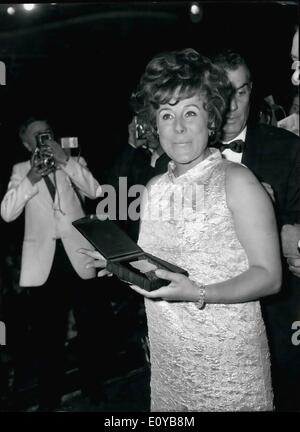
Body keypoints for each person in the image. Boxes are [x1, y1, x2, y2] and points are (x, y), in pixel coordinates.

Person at [81, 48, 282, 411]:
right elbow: (157, 276)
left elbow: (269, 276)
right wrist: (115, 264)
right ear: (153, 125)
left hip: (227, 366)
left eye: (190, 112)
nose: (178, 127)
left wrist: (198, 292)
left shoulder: (237, 181)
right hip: (169, 361)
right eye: (166, 115)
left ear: (211, 119)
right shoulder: (155, 188)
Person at [0, 117, 110, 411]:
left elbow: (96, 192)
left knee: (90, 328)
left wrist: (66, 162)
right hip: (45, 264)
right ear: (26, 144)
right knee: (49, 338)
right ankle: (49, 399)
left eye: (46, 133)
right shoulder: (20, 171)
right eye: (36, 136)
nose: (43, 139)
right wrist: (32, 179)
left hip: (79, 255)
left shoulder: (71, 161)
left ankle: (93, 385)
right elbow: (7, 213)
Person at [212, 49, 300, 410]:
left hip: (277, 319)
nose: (232, 105)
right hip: (211, 322)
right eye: (222, 92)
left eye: (242, 91)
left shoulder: (288, 148)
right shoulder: (184, 154)